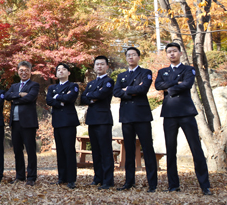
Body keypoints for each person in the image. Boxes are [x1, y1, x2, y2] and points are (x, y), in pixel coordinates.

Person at [154, 42, 211, 195]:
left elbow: (187, 84)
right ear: (166, 55)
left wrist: (169, 88)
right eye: (169, 52)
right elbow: (158, 86)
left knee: (196, 149)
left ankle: (205, 185)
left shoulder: (188, 69)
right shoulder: (162, 71)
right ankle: (173, 185)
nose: (171, 54)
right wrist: (175, 83)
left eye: (174, 51)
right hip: (169, 114)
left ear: (180, 53)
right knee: (170, 149)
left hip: (186, 112)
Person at [113, 46, 158, 193]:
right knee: (129, 150)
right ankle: (129, 181)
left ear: (138, 57)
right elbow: (116, 92)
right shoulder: (121, 76)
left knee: (147, 148)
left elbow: (143, 89)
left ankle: (152, 183)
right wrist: (131, 91)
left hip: (142, 115)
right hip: (126, 116)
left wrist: (127, 90)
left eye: (133, 55)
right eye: (128, 55)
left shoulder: (145, 72)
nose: (130, 57)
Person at [81, 55, 115, 190]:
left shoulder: (109, 81)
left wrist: (92, 96)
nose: (99, 66)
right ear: (94, 67)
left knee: (105, 150)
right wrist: (91, 97)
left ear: (107, 66)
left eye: (102, 64)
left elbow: (101, 95)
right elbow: (83, 98)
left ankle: (108, 180)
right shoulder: (91, 84)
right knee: (95, 150)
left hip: (103, 120)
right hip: (92, 119)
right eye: (97, 64)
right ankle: (98, 177)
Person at [5, 61, 40, 186]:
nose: (23, 72)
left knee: (30, 150)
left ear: (30, 71)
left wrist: (15, 100)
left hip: (28, 123)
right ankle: (19, 176)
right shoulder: (14, 86)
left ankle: (31, 177)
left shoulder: (34, 85)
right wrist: (19, 95)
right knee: (17, 151)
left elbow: (30, 98)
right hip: (15, 123)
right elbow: (7, 96)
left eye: (26, 70)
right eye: (21, 70)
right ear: (18, 71)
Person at [45, 63, 79, 189]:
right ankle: (62, 177)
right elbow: (49, 100)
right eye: (58, 70)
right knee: (60, 151)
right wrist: (61, 102)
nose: (61, 71)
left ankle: (71, 179)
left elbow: (70, 98)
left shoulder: (73, 86)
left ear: (68, 73)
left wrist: (58, 98)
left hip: (68, 121)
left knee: (69, 150)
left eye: (64, 69)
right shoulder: (52, 87)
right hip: (57, 121)